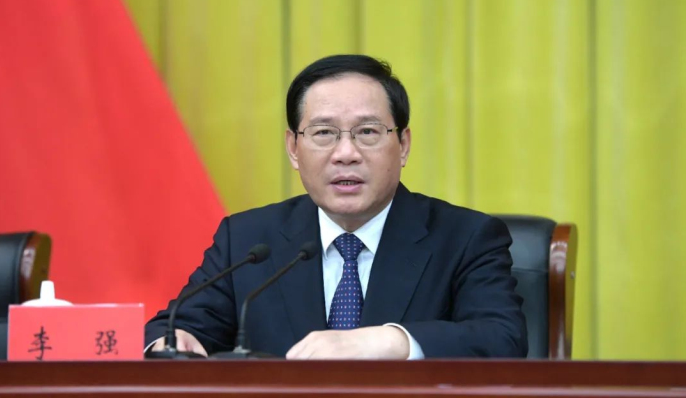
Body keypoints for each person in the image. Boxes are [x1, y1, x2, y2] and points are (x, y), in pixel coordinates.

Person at [145, 54, 527, 359]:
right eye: (324, 133)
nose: (346, 153)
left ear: (403, 145)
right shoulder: (248, 241)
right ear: (293, 149)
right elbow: (172, 327)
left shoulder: (465, 238)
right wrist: (173, 342)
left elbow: (502, 338)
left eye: (368, 132)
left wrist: (391, 341)